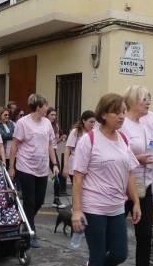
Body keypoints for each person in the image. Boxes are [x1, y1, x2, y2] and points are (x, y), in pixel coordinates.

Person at [72, 93, 141, 266]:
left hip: (117, 206)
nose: (122, 116)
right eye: (116, 112)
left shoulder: (123, 138)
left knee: (120, 253)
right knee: (98, 254)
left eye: (123, 111)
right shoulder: (88, 140)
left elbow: (130, 171)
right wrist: (77, 210)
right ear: (103, 114)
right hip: (94, 206)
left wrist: (136, 202)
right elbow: (78, 178)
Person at [122, 86, 153, 266]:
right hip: (123, 186)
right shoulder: (123, 124)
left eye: (149, 98)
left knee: (145, 236)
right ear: (133, 100)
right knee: (113, 239)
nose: (148, 102)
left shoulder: (150, 120)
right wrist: (138, 158)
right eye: (144, 99)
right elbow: (119, 155)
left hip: (144, 185)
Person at [10, 94, 59, 248]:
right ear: (38, 107)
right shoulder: (23, 123)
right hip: (25, 167)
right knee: (30, 201)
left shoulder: (46, 123)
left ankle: (24, 220)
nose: (47, 108)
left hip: (42, 168)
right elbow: (14, 145)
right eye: (45, 105)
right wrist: (11, 167)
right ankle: (31, 232)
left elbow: (50, 144)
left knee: (40, 201)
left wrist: (55, 164)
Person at [62, 110, 96, 185]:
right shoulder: (76, 131)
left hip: (88, 166)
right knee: (77, 188)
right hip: (75, 165)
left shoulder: (94, 133)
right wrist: (65, 166)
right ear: (84, 120)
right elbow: (68, 148)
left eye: (94, 122)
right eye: (91, 122)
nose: (93, 124)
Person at [47, 107, 67, 206]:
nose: (54, 117)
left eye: (55, 115)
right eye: (52, 115)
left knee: (57, 173)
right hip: (43, 152)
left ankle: (56, 198)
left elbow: (54, 142)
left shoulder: (56, 126)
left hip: (53, 152)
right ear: (47, 115)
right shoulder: (45, 125)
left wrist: (61, 138)